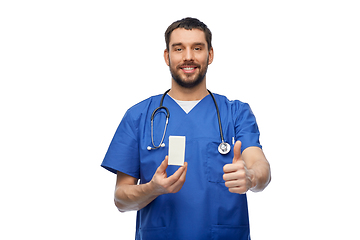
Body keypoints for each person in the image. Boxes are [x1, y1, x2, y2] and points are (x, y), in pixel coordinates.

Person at [101, 17, 271, 240]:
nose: (188, 56)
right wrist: (152, 188)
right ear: (167, 56)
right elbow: (121, 199)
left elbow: (260, 167)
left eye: (197, 48)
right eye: (179, 48)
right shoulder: (139, 116)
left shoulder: (236, 113)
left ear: (210, 55)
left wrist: (251, 177)